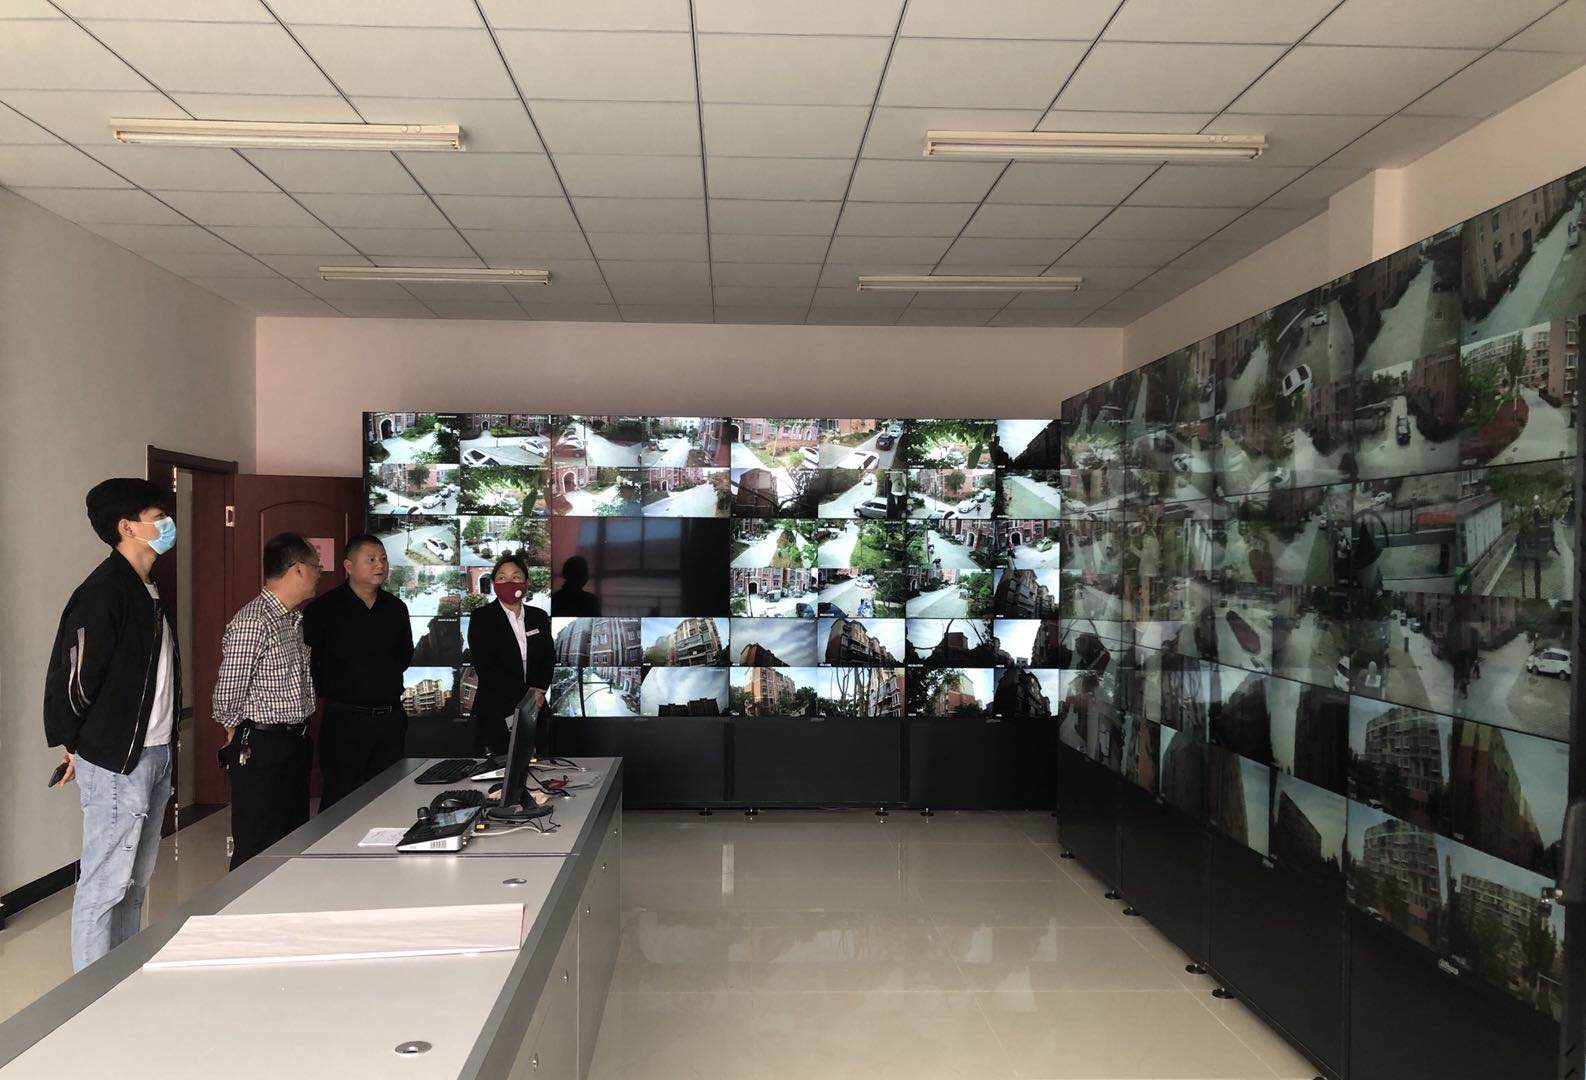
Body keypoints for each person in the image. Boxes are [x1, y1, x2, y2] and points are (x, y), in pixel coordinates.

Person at [45, 478, 181, 971]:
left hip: (155, 751)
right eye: (157, 518)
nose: (167, 525)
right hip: (118, 760)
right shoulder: (104, 591)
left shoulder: (147, 589)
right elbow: (76, 680)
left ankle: (122, 975)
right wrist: (75, 744)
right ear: (127, 527)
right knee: (105, 883)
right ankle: (90, 992)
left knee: (134, 881)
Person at [214, 532, 320, 868]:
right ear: (298, 569)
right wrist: (236, 729)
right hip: (261, 745)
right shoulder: (254, 621)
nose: (319, 574)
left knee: (291, 838)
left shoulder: (291, 619)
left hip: (295, 741)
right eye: (316, 567)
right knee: (257, 842)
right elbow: (227, 693)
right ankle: (244, 902)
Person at [301, 534, 413, 811]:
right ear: (348, 566)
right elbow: (311, 663)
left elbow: (404, 656)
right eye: (371, 559)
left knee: (388, 798)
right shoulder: (323, 609)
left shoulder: (396, 608)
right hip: (345, 721)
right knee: (341, 800)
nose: (380, 565)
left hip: (389, 719)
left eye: (383, 559)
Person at [468, 553, 553, 755]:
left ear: (526, 582)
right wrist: (527, 698)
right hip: (496, 711)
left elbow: (548, 657)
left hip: (536, 708)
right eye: (502, 577)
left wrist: (539, 692)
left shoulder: (539, 617)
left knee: (540, 766)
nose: (509, 582)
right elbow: (486, 668)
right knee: (499, 768)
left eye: (516, 577)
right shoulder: (481, 618)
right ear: (494, 583)